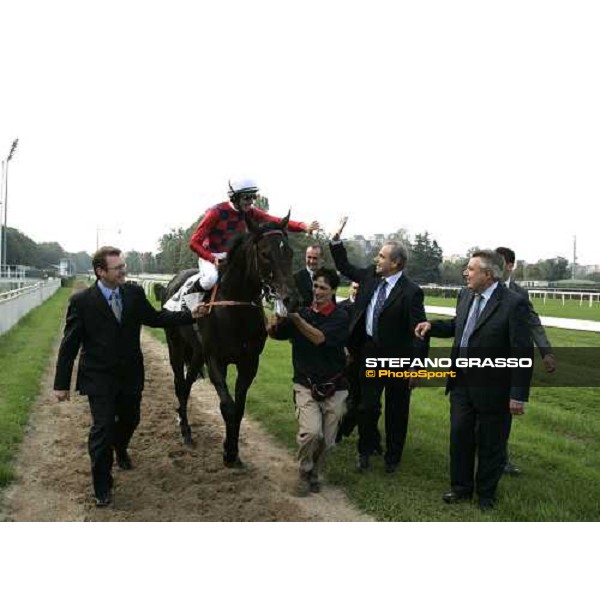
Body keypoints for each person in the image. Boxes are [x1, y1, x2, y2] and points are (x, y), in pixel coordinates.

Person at [53, 246, 206, 507]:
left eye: (123, 266)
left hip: (130, 375)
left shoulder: (133, 293)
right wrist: (61, 384)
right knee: (102, 428)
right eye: (118, 268)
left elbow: (156, 318)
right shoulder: (82, 302)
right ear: (101, 272)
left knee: (130, 419)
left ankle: (120, 448)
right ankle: (102, 486)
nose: (124, 271)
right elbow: (69, 345)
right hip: (98, 377)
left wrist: (189, 315)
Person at [415, 250, 533, 510]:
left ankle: (486, 496)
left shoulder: (513, 304)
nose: (465, 273)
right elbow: (461, 325)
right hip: (460, 383)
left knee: (491, 443)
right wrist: (432, 326)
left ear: (488, 275)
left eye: (470, 269)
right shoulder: (466, 294)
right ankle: (461, 488)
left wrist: (518, 394)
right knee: (460, 436)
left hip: (494, 389)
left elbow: (522, 351)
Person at [330, 218, 427, 474]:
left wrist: (417, 367)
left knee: (397, 411)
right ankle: (364, 451)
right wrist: (336, 240)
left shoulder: (411, 292)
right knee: (366, 406)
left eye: (382, 256)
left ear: (396, 263)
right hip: (369, 352)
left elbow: (420, 333)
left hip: (398, 359)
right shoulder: (370, 277)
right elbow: (344, 266)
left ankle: (392, 458)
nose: (377, 259)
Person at [164, 178, 319, 310]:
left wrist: (303, 226)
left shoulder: (250, 212)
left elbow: (275, 221)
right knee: (210, 278)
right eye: (247, 198)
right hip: (211, 255)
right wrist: (212, 259)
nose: (251, 202)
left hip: (233, 257)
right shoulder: (215, 212)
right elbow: (194, 242)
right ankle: (186, 304)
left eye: (253, 197)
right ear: (235, 197)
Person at [267, 267, 349, 496]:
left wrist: (295, 318)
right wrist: (274, 323)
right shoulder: (302, 312)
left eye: (323, 287)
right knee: (312, 433)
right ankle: (304, 472)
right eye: (315, 286)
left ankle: (315, 472)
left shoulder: (340, 316)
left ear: (333, 290)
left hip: (335, 387)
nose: (317, 291)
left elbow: (319, 338)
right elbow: (275, 333)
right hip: (305, 385)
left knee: (328, 442)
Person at [495, 246, 556, 475]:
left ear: (511, 266)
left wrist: (546, 352)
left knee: (502, 414)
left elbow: (533, 322)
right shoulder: (477, 288)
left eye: (499, 262)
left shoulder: (520, 294)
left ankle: (500, 459)